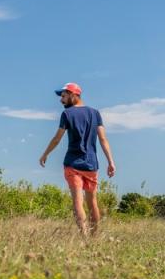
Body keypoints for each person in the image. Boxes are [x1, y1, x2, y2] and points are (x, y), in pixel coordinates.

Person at [39, 82, 115, 235]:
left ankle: (85, 237)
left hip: (72, 164)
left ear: (74, 95)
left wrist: (45, 154)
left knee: (77, 202)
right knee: (92, 202)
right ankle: (94, 238)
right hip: (92, 165)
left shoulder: (67, 114)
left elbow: (56, 139)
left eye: (64, 96)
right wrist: (110, 162)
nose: (61, 100)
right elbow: (103, 139)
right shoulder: (95, 113)